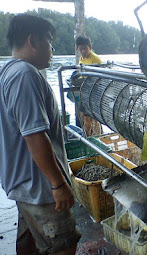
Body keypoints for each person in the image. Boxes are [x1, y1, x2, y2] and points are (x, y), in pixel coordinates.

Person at [0, 14, 81, 255]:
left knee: (31, 247)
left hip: (25, 187)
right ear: (32, 41)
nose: (52, 49)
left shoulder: (8, 72)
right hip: (41, 191)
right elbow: (34, 135)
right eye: (48, 41)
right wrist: (58, 185)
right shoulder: (25, 75)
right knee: (62, 246)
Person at [73, 35, 102, 136]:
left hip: (93, 93)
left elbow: (100, 78)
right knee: (84, 116)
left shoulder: (95, 59)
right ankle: (87, 137)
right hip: (84, 92)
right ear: (78, 49)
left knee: (93, 119)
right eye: (81, 49)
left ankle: (97, 137)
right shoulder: (81, 59)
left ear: (90, 47)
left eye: (85, 49)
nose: (83, 51)